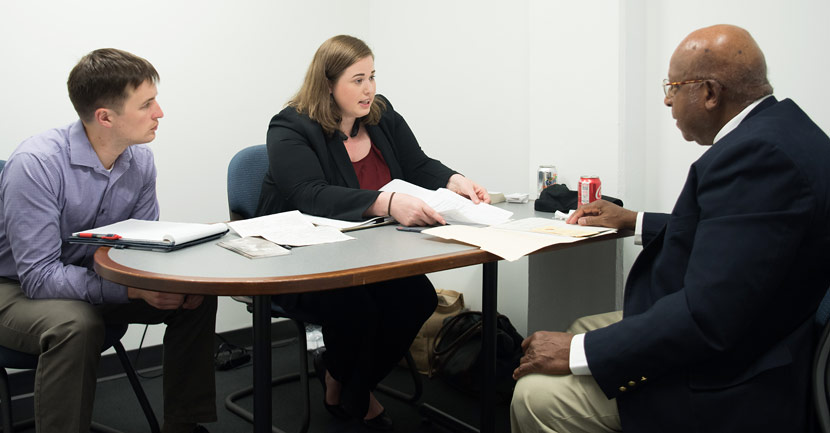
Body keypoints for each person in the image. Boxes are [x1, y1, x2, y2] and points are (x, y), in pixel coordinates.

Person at [510, 24, 830, 433]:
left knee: (536, 393)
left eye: (673, 87)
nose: (666, 100)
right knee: (577, 325)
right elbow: (738, 235)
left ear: (711, 93)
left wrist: (578, 351)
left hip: (734, 379)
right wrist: (635, 220)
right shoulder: (784, 131)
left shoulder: (757, 156)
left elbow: (706, 316)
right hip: (758, 334)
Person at [256, 35, 490, 430]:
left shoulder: (381, 115)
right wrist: (387, 202)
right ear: (328, 84)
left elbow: (417, 165)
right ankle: (356, 393)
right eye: (357, 79)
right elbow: (306, 193)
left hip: (372, 250)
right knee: (359, 309)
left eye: (372, 77)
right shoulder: (291, 126)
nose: (369, 90)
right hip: (305, 255)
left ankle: (341, 377)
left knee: (418, 298)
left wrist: (455, 179)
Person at [0, 49, 216, 433]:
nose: (160, 112)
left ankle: (183, 425)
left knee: (194, 296)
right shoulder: (36, 164)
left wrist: (164, 283)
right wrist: (133, 292)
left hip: (87, 277)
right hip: (13, 288)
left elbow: (140, 246)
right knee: (76, 324)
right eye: (147, 104)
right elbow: (38, 277)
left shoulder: (140, 160)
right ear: (105, 117)